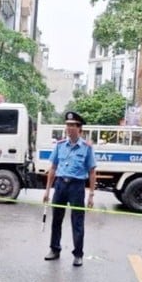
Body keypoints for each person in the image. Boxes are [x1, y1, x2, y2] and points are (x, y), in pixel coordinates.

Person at [42, 111, 97, 267]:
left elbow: (92, 171)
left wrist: (91, 194)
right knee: (56, 219)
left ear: (79, 129)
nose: (69, 128)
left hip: (77, 186)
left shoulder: (86, 148)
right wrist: (47, 190)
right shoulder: (59, 146)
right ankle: (54, 249)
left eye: (73, 126)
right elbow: (52, 168)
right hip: (60, 185)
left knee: (77, 221)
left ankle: (78, 254)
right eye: (67, 125)